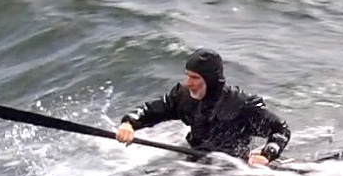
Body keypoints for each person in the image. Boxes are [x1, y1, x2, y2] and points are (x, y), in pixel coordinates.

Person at [115, 49, 290, 167]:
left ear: (211, 80)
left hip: (231, 169)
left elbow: (280, 129)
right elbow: (149, 111)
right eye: (187, 76)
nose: (188, 83)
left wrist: (267, 155)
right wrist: (129, 124)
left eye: (195, 78)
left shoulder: (241, 105)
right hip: (194, 160)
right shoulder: (182, 96)